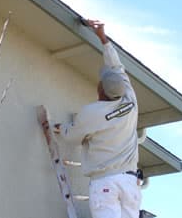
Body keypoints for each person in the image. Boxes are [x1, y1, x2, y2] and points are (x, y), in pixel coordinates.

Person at [53, 20, 141, 218]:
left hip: (106, 183)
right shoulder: (130, 100)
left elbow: (72, 137)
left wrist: (61, 128)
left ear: (100, 89)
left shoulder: (92, 113)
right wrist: (103, 38)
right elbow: (117, 67)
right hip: (130, 183)